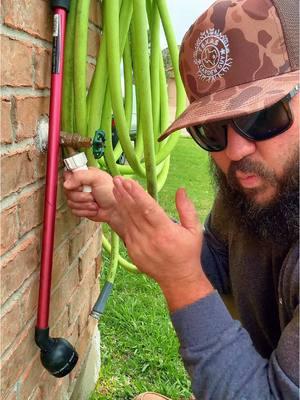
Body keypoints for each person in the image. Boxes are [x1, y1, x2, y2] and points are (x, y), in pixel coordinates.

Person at [64, 0, 299, 398]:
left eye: (261, 116)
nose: (236, 151)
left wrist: (181, 280)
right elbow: (217, 265)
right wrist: (126, 214)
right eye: (213, 130)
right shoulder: (252, 191)